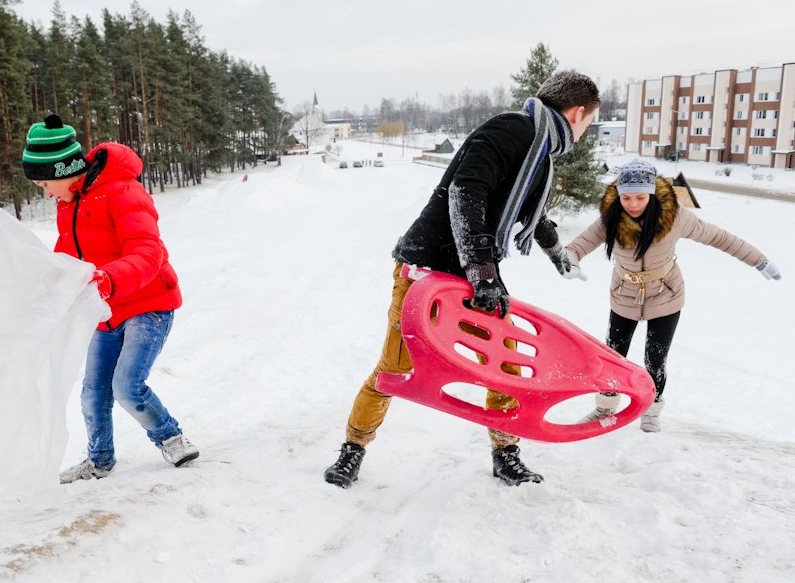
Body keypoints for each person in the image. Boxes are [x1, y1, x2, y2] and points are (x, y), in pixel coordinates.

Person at [323, 71, 600, 488]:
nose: (586, 130)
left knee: (507, 365)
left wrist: (557, 253)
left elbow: (530, 213)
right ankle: (352, 450)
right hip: (428, 268)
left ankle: (506, 454)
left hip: (476, 273)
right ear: (578, 113)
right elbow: (465, 191)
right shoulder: (511, 130)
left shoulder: (538, 154)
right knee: (395, 367)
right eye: (590, 122)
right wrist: (482, 270)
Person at [22, 114, 198, 484]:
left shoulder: (123, 191)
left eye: (44, 183)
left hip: (148, 303)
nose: (46, 192)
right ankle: (99, 460)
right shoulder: (69, 203)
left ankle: (171, 436)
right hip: (104, 308)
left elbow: (148, 251)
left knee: (126, 385)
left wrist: (108, 279)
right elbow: (68, 255)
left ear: (64, 170)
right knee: (91, 393)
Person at [564, 159, 781, 431]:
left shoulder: (675, 217)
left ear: (652, 194)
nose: (632, 204)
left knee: (655, 358)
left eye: (640, 197)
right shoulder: (611, 218)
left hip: (666, 294)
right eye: (626, 197)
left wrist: (758, 260)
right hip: (624, 294)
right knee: (613, 355)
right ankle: (604, 407)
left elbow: (720, 237)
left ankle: (651, 410)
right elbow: (579, 244)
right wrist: (569, 261)